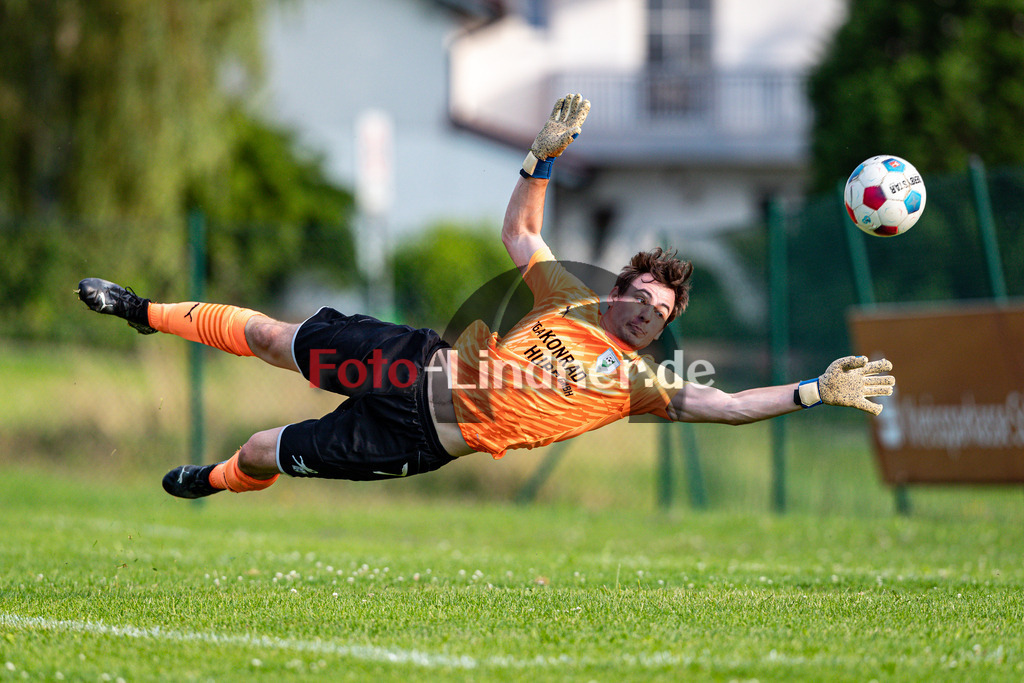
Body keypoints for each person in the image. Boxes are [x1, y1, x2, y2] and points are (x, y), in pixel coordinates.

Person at [77, 93, 895, 500]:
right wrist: (539, 161)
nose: (650, 311)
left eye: (662, 314)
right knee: (269, 337)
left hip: (420, 438)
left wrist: (812, 390)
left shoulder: (635, 386)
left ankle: (212, 482)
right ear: (622, 289)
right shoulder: (569, 300)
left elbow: (726, 406)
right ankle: (141, 310)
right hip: (413, 361)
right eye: (644, 295)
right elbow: (520, 234)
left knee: (261, 449)